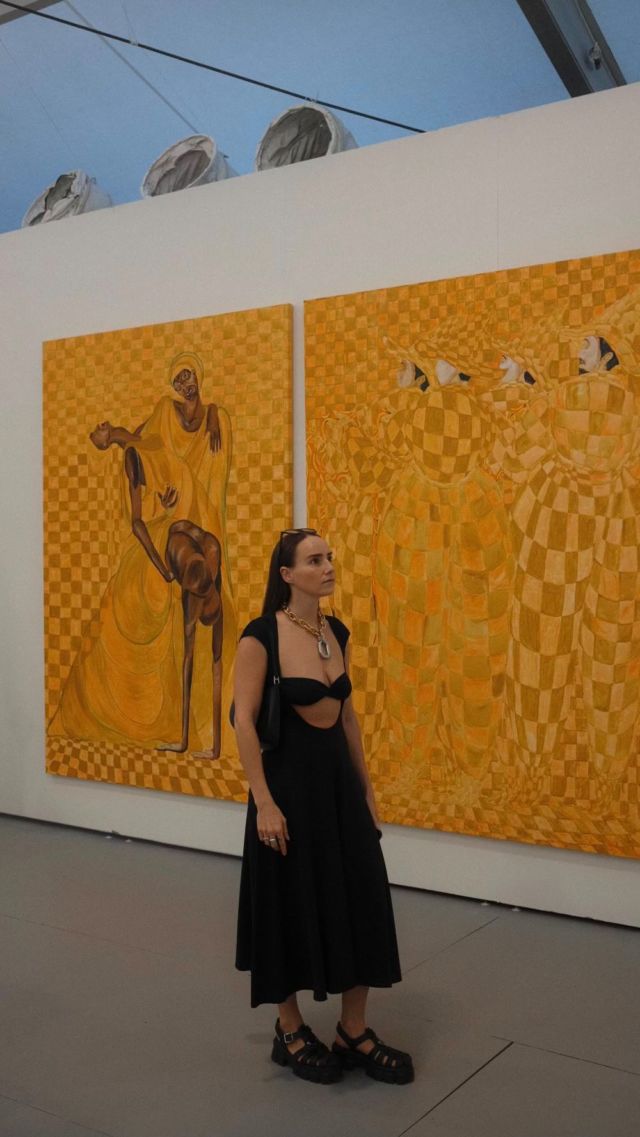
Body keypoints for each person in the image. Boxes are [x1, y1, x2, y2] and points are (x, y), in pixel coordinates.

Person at [233, 528, 413, 1086]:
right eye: (315, 560)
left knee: (362, 897)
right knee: (285, 904)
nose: (328, 566)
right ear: (287, 574)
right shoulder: (260, 636)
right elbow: (243, 722)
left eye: (329, 557)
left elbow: (348, 719)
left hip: (338, 791)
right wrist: (264, 802)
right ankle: (289, 1030)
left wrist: (367, 790)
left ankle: (352, 1030)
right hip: (287, 793)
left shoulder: (336, 631)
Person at [49, 351, 237, 755]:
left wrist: (212, 413)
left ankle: (199, 741)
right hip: (173, 533)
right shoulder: (138, 455)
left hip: (182, 520)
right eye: (100, 436)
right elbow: (137, 521)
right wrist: (161, 563)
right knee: (189, 620)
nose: (102, 430)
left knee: (198, 624)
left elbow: (150, 442)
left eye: (101, 431)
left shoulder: (150, 433)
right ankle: (191, 739)